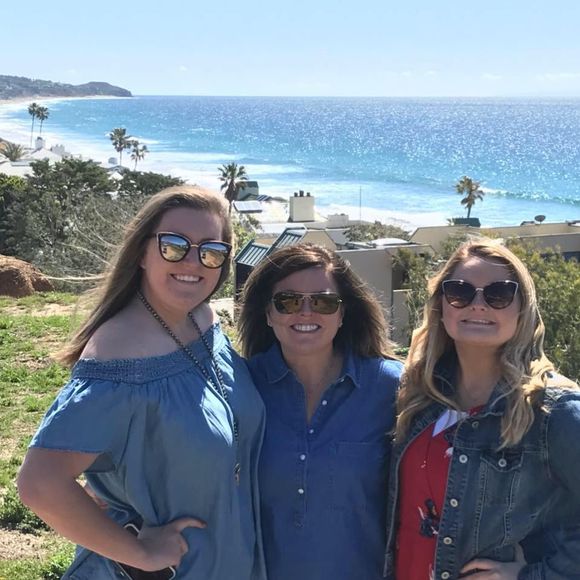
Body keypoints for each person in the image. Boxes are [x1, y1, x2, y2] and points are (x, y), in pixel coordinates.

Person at [18, 186, 267, 580]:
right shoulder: (120, 358)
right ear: (142, 252)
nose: (193, 261)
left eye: (211, 251)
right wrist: (140, 553)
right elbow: (40, 483)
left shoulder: (203, 320)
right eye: (174, 246)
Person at [384, 238, 580, 579]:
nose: (477, 305)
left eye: (498, 294)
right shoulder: (418, 397)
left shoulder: (553, 412)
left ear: (522, 309)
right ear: (441, 305)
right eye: (460, 292)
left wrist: (532, 576)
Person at [238, 243, 402, 580]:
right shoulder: (241, 387)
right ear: (268, 314)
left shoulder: (392, 388)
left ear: (342, 314)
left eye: (324, 302)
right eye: (288, 301)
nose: (305, 312)